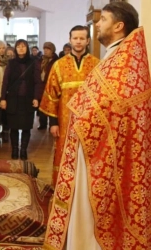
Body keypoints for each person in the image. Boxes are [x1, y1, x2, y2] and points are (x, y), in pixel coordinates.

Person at [44, 2, 151, 249]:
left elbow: (109, 107)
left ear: (118, 26)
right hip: (93, 147)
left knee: (91, 208)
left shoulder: (120, 61)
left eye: (103, 20)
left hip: (99, 152)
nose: (98, 24)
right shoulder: (115, 58)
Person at [39, 25, 99, 186]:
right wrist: (53, 123)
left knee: (88, 155)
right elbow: (51, 96)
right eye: (75, 38)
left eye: (82, 38)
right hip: (65, 122)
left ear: (87, 41)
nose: (78, 42)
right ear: (70, 39)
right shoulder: (59, 65)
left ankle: (85, 191)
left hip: (89, 122)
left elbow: (101, 97)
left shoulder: (96, 65)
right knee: (64, 154)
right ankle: (63, 188)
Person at [0, 39, 42, 160]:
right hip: (13, 99)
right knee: (13, 126)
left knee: (26, 127)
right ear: (15, 49)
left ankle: (23, 151)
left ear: (27, 48)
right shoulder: (11, 63)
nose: (21, 48)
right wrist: (3, 98)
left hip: (28, 99)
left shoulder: (33, 62)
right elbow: (5, 82)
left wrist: (36, 97)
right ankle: (14, 150)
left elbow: (37, 82)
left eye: (23, 46)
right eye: (18, 46)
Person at [37, 42, 59, 130]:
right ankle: (42, 124)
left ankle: (52, 124)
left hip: (52, 86)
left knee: (51, 106)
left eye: (48, 49)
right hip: (42, 86)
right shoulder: (40, 60)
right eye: (44, 49)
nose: (45, 51)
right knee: (42, 106)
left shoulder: (56, 61)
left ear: (52, 50)